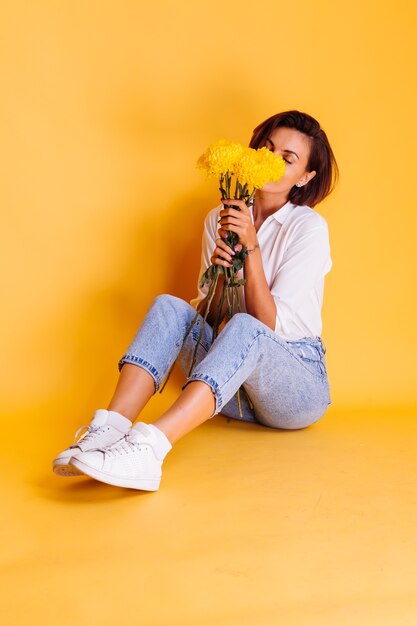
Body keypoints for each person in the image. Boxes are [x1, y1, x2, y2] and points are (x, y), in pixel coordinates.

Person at [52, 109, 339, 492]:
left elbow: (265, 326)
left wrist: (250, 249)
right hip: (231, 392)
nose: (271, 162)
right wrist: (222, 276)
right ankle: (109, 431)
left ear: (305, 177)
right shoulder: (219, 219)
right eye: (266, 150)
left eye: (287, 159)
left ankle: (149, 449)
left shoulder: (308, 229)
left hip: (293, 390)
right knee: (171, 306)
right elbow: (212, 316)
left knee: (248, 328)